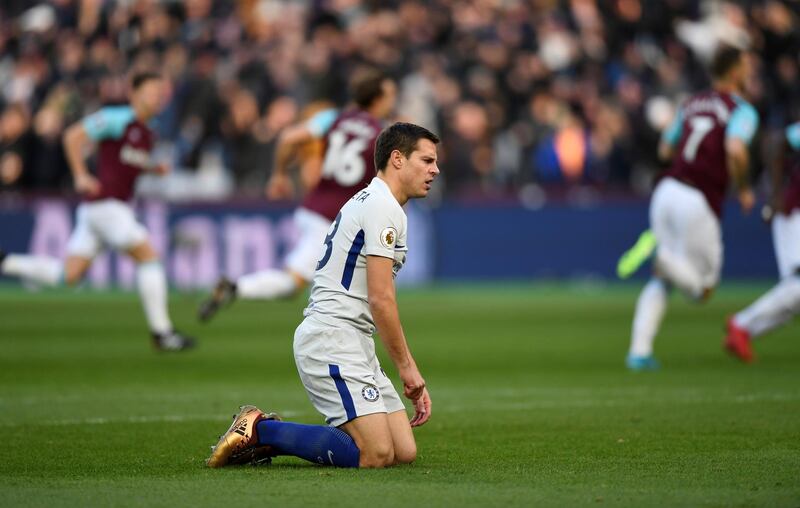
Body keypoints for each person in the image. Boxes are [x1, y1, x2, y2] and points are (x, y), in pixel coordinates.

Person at [206, 122, 439, 469]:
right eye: (427, 160)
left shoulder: (377, 201)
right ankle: (263, 430)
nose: (435, 170)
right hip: (331, 338)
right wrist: (408, 370)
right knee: (374, 455)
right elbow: (381, 299)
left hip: (352, 339)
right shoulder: (382, 207)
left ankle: (269, 433)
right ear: (397, 159)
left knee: (402, 452)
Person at [0, 72, 195, 351]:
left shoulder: (149, 130)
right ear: (134, 93)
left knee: (68, 276)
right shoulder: (117, 118)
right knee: (149, 257)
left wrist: (153, 168)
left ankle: (5, 263)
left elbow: (127, 161)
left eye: (160, 93)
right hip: (108, 206)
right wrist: (80, 174)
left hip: (99, 211)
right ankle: (162, 333)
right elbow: (73, 135)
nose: (157, 97)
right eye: (151, 91)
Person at [197, 69, 397, 321]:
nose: (392, 101)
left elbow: (289, 137)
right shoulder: (382, 133)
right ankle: (237, 288)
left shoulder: (332, 118)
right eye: (390, 95)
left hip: (315, 207)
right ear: (377, 99)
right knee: (297, 283)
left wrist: (278, 175)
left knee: (344, 280)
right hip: (334, 220)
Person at [625, 46, 759, 371]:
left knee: (662, 281)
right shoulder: (741, 110)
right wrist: (743, 188)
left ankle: (639, 352)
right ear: (735, 72)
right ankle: (663, 258)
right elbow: (735, 148)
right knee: (703, 290)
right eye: (746, 66)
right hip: (698, 197)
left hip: (667, 188)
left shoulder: (691, 103)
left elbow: (665, 147)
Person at [725, 120, 800, 362]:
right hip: (794, 212)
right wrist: (776, 195)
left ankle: (743, 329)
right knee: (797, 286)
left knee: (795, 292)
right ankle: (741, 324)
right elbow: (774, 142)